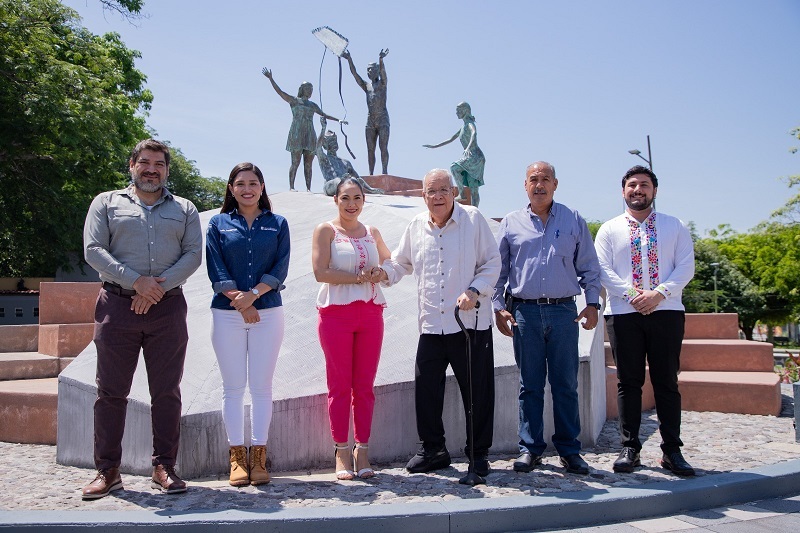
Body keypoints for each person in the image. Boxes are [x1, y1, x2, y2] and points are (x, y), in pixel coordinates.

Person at [82, 139, 202, 499]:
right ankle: (108, 471)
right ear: (132, 164)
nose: (152, 169)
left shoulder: (185, 208)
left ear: (167, 169)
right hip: (117, 306)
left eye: (159, 164)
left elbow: (193, 254)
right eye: (145, 162)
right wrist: (136, 282)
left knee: (166, 392)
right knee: (110, 392)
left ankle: (164, 466)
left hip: (167, 308)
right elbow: (93, 250)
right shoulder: (106, 202)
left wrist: (155, 290)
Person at [377, 168, 500, 475]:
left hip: (469, 323)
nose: (438, 197)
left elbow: (492, 263)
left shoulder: (473, 219)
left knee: (477, 392)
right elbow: (401, 262)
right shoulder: (417, 225)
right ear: (423, 196)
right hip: (432, 323)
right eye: (431, 191)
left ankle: (478, 453)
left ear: (454, 192)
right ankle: (433, 450)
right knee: (427, 390)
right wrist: (384, 274)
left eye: (443, 190)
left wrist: (475, 290)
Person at [493, 161, 601, 476]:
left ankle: (570, 451)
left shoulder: (573, 220)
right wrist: (499, 307)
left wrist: (592, 303)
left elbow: (589, 267)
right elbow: (498, 272)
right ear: (524, 185)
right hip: (524, 313)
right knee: (530, 385)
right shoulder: (511, 223)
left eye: (545, 179)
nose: (539, 185)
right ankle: (530, 449)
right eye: (533, 179)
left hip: (564, 312)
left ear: (555, 184)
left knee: (566, 384)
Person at [594, 165, 696, 476]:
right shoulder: (609, 229)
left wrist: (659, 294)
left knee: (667, 381)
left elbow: (686, 266)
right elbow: (602, 269)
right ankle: (630, 448)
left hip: (666, 311)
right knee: (629, 382)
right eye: (632, 185)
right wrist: (633, 295)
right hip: (624, 314)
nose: (638, 190)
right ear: (622, 191)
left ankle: (671, 450)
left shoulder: (674, 226)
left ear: (655, 190)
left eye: (645, 185)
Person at [206, 162, 290, 486]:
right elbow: (216, 269)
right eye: (240, 183)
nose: (247, 189)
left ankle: (259, 459)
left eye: (253, 183)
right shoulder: (218, 223)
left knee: (261, 387)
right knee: (233, 388)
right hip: (226, 314)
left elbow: (279, 268)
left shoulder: (277, 223)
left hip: (268, 312)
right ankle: (236, 459)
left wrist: (253, 296)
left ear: (262, 187)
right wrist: (241, 303)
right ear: (231, 188)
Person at [312, 177, 391, 480]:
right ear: (336, 199)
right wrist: (359, 278)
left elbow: (389, 264)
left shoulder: (372, 232)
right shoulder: (326, 230)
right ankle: (342, 451)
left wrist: (379, 271)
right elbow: (321, 272)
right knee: (339, 385)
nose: (351, 204)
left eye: (357, 198)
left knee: (365, 386)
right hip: (336, 314)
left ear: (364, 200)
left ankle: (363, 449)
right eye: (345, 198)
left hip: (371, 313)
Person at [262, 68, 347, 191]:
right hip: (297, 133)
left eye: (311, 89)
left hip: (309, 134)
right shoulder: (294, 101)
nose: (310, 91)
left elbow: (324, 114)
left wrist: (338, 120)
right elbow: (280, 92)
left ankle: (308, 188)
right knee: (295, 162)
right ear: (302, 89)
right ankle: (292, 187)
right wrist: (271, 79)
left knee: (308, 164)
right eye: (308, 89)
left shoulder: (312, 105)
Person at [423, 102, 485, 207]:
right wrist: (435, 146)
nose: (456, 113)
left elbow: (474, 133)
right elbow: (450, 139)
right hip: (471, 156)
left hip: (475, 156)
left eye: (458, 110)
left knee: (455, 168)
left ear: (465, 110)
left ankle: (465, 198)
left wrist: (469, 147)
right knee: (472, 184)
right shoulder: (463, 127)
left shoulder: (470, 124)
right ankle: (465, 197)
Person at [342, 48, 390, 175]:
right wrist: (349, 59)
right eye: (367, 70)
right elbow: (355, 75)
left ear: (377, 71)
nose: (369, 71)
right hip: (370, 120)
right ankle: (371, 173)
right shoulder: (366, 86)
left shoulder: (383, 83)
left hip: (382, 119)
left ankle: (384, 171)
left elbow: (384, 73)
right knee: (370, 149)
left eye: (371, 69)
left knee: (383, 147)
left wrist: (381, 60)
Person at [316, 117, 384, 196]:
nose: (334, 143)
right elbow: (318, 148)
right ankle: (345, 185)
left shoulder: (346, 162)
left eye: (335, 140)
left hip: (345, 186)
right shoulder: (324, 159)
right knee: (338, 180)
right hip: (330, 186)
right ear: (325, 145)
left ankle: (350, 188)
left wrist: (370, 189)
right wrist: (323, 128)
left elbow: (358, 178)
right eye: (331, 141)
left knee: (354, 180)